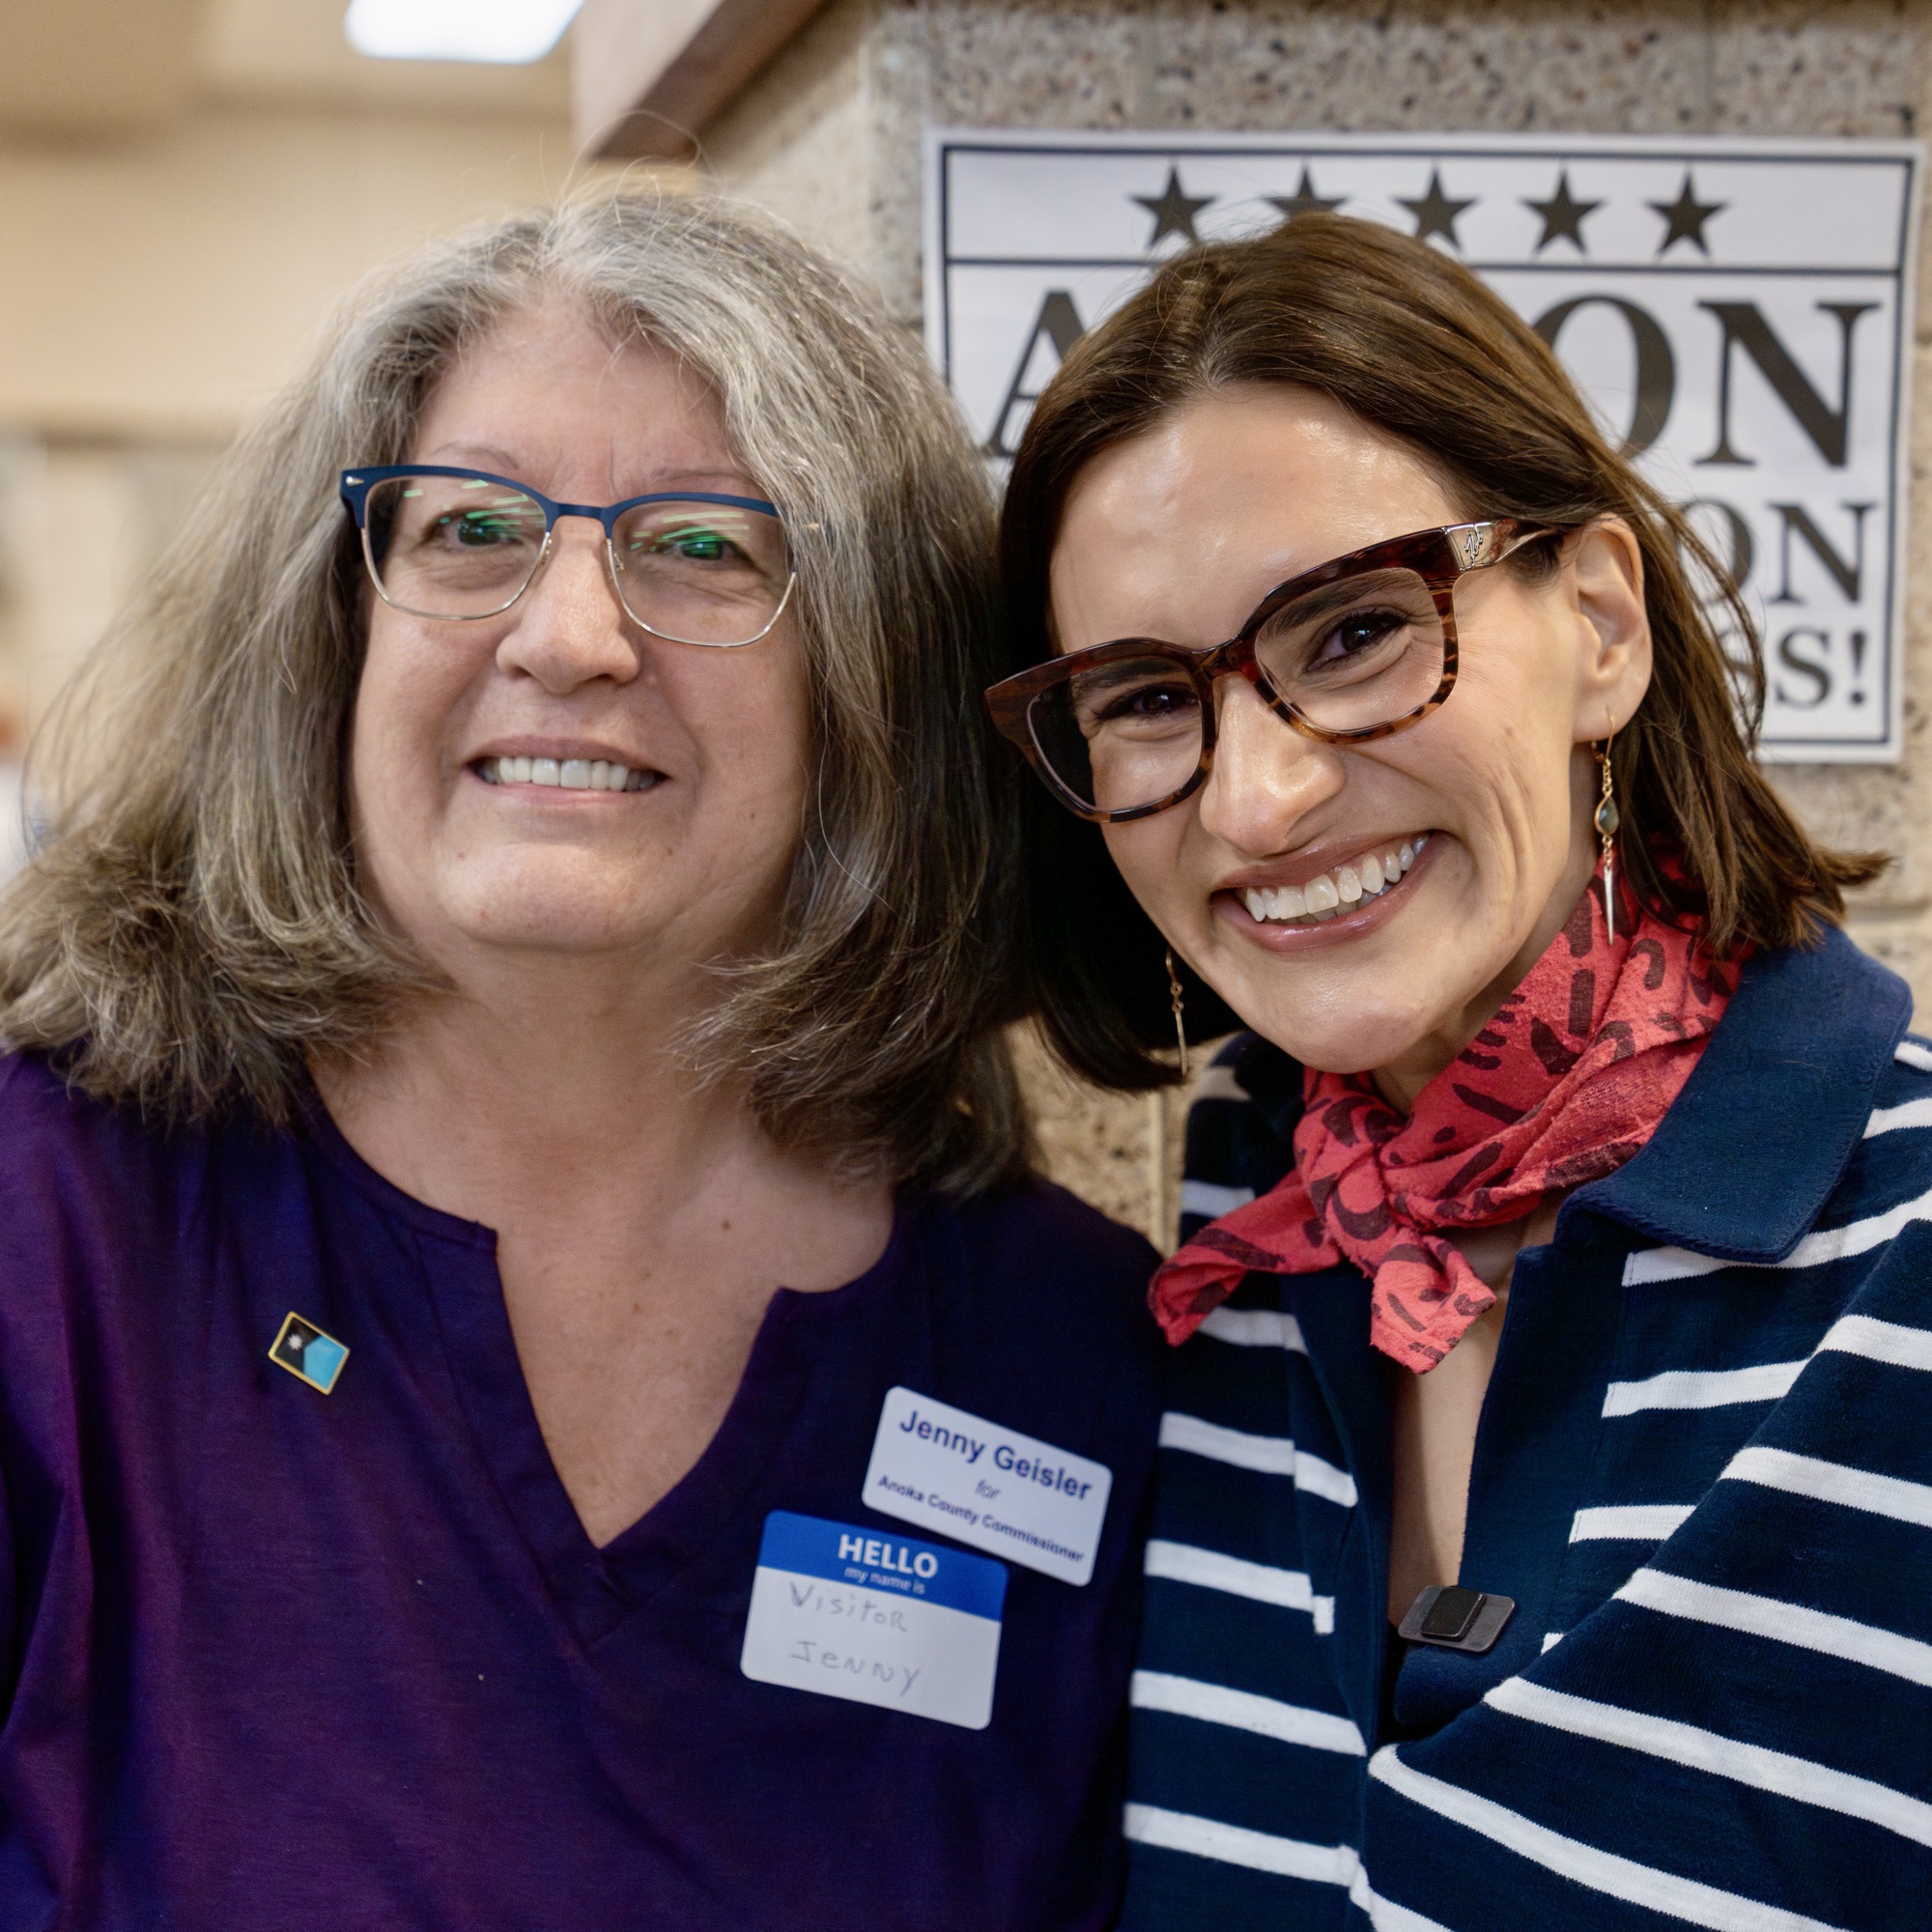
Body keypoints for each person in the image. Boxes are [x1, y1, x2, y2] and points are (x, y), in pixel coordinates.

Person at [0, 190, 1164, 1929]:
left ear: (878, 683)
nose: (568, 634)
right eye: (472, 528)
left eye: (704, 547)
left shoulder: (1071, 1358)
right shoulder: (49, 1233)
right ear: (332, 637)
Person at [989, 214, 1932, 1930]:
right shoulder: (1252, 1230)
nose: (1255, 800)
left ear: (1601, 624)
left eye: (1354, 631)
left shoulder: (1909, 1255)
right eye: (1146, 698)